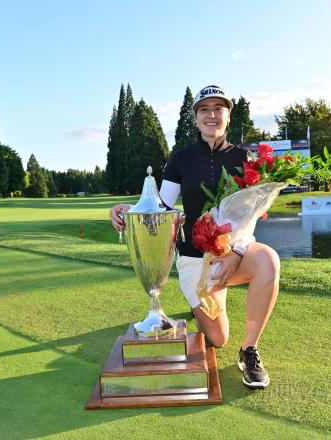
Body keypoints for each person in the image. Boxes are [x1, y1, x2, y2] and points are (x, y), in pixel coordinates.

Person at [110, 85, 279, 389]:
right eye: (204, 109)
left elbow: (250, 215)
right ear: (196, 117)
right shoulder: (181, 159)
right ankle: (203, 303)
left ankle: (250, 350)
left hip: (235, 255)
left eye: (218, 108)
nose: (211, 115)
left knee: (268, 260)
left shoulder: (245, 159)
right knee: (217, 338)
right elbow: (161, 207)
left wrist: (237, 253)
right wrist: (128, 209)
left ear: (228, 115)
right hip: (195, 259)